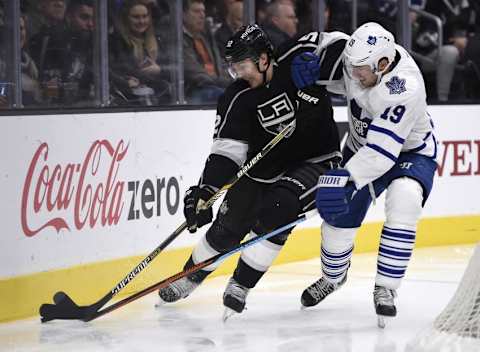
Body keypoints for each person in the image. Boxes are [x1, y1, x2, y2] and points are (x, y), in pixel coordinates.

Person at [158, 24, 346, 319]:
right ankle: (190, 276)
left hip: (317, 160)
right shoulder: (236, 98)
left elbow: (339, 41)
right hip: (264, 168)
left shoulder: (294, 57)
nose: (239, 74)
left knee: (279, 208)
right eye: (233, 69)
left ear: (263, 58)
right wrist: (205, 191)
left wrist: (318, 62)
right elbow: (226, 153)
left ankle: (241, 284)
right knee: (227, 227)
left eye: (243, 66)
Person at [291, 22, 437, 327]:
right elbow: (320, 40)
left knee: (404, 200)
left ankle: (386, 287)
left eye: (361, 69)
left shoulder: (404, 86)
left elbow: (382, 154)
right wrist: (304, 56)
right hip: (360, 150)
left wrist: (345, 177)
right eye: (351, 66)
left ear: (383, 65)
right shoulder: (355, 58)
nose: (353, 74)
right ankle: (333, 277)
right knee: (335, 221)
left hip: (408, 153)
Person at [109, 0, 171, 105]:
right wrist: (125, 82)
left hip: (157, 95)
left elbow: (173, 69)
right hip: (127, 97)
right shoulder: (115, 41)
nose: (141, 21)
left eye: (145, 16)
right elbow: (111, 70)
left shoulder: (158, 39)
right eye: (136, 17)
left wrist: (159, 70)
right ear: (125, 18)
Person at [183, 0, 230, 104]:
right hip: (196, 90)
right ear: (184, 15)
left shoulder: (205, 36)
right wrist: (227, 82)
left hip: (216, 85)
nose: (202, 15)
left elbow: (219, 64)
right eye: (196, 11)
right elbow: (196, 74)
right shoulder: (179, 40)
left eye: (203, 11)